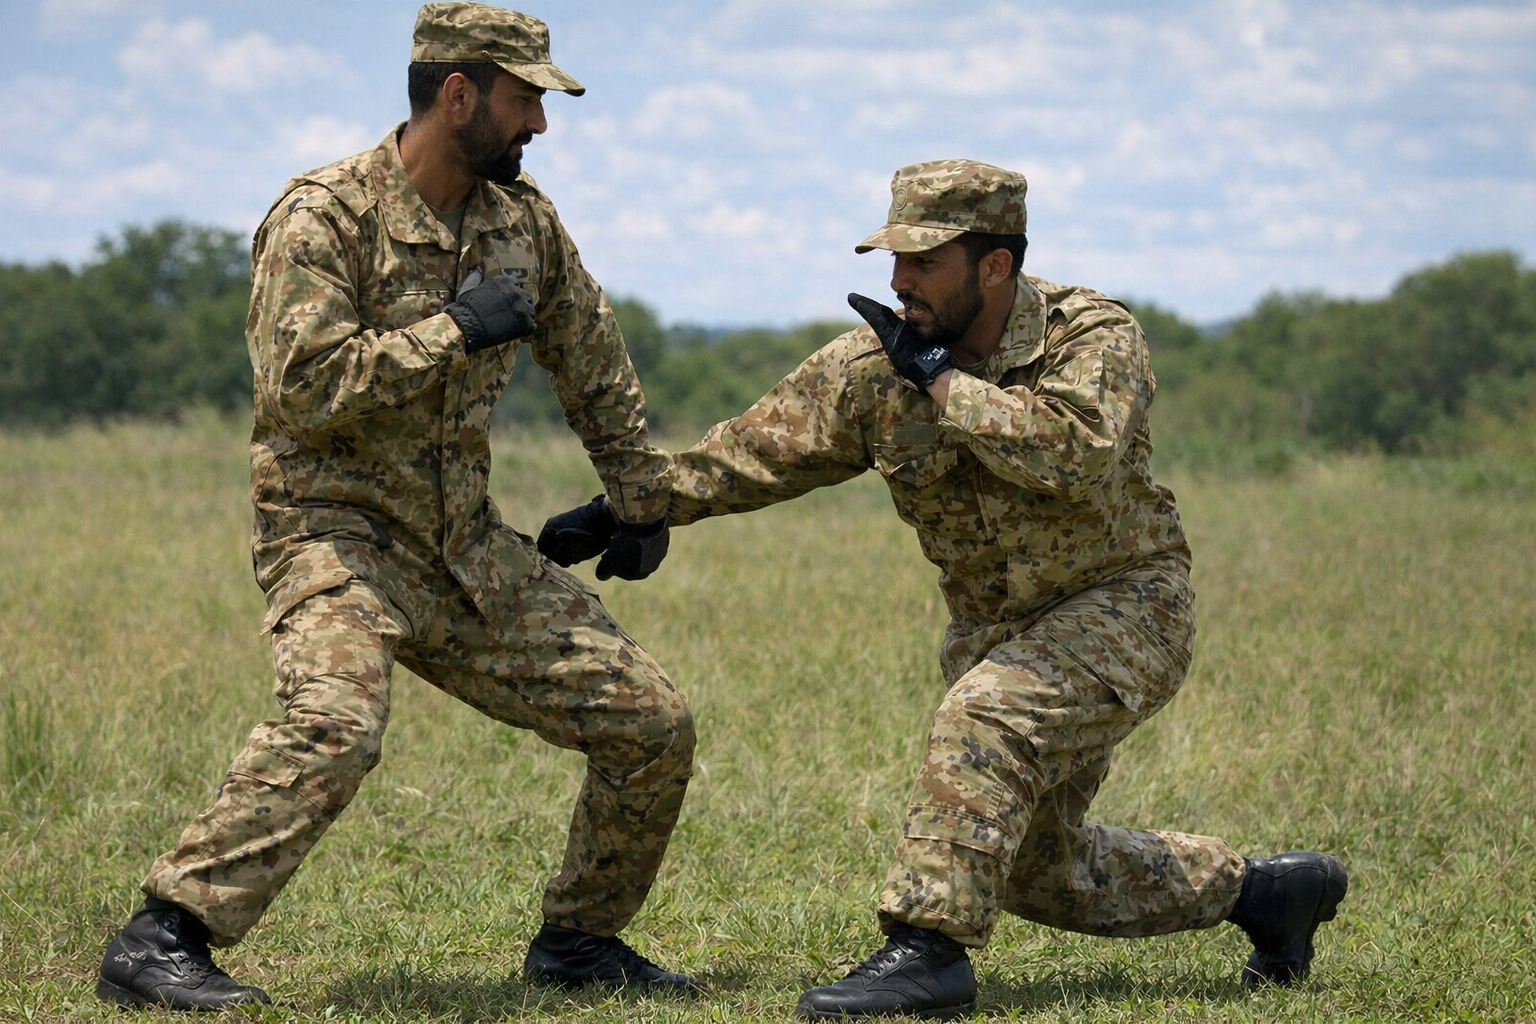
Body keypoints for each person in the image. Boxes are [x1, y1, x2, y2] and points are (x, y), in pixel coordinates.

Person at [543, 159, 1349, 1019]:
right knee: (1034, 869)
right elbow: (756, 450)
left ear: (994, 265)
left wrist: (941, 381)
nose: (898, 282)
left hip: (1127, 604)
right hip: (999, 630)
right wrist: (631, 508)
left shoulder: (1092, 337)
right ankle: (1266, 895)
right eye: (893, 260)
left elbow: (1070, 452)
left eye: (924, 261)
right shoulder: (877, 363)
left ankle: (928, 954)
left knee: (984, 717)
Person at [96, 3, 699, 1011]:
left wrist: (640, 504)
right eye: (523, 103)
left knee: (652, 722)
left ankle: (578, 947)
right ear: (455, 95)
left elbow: (591, 358)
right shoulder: (324, 217)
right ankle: (163, 936)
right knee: (337, 720)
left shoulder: (524, 225)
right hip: (334, 537)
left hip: (460, 547)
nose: (539, 128)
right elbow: (301, 390)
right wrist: (451, 330)